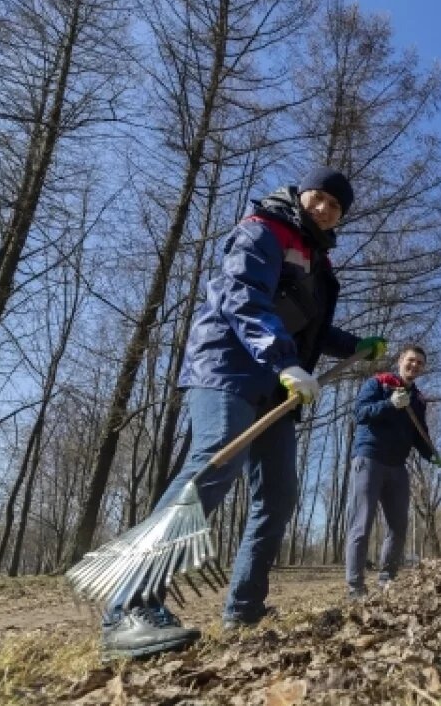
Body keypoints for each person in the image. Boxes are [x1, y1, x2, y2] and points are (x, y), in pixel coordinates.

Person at [100, 167, 387, 660]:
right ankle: (129, 607)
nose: (325, 209)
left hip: (278, 381)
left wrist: (352, 346)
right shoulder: (264, 229)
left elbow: (309, 328)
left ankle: (244, 607)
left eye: (336, 207)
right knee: (215, 460)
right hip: (228, 367)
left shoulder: (319, 263)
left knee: (279, 494)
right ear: (302, 194)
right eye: (319, 198)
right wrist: (284, 360)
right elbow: (243, 298)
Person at [346, 346, 440, 596]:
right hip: (369, 458)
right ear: (400, 361)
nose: (415, 366)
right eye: (411, 360)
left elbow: (420, 434)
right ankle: (355, 586)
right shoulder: (378, 383)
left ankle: (387, 578)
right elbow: (361, 413)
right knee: (361, 523)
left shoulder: (418, 399)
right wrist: (390, 404)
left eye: (420, 363)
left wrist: (432, 455)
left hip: (398, 465)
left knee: (398, 525)